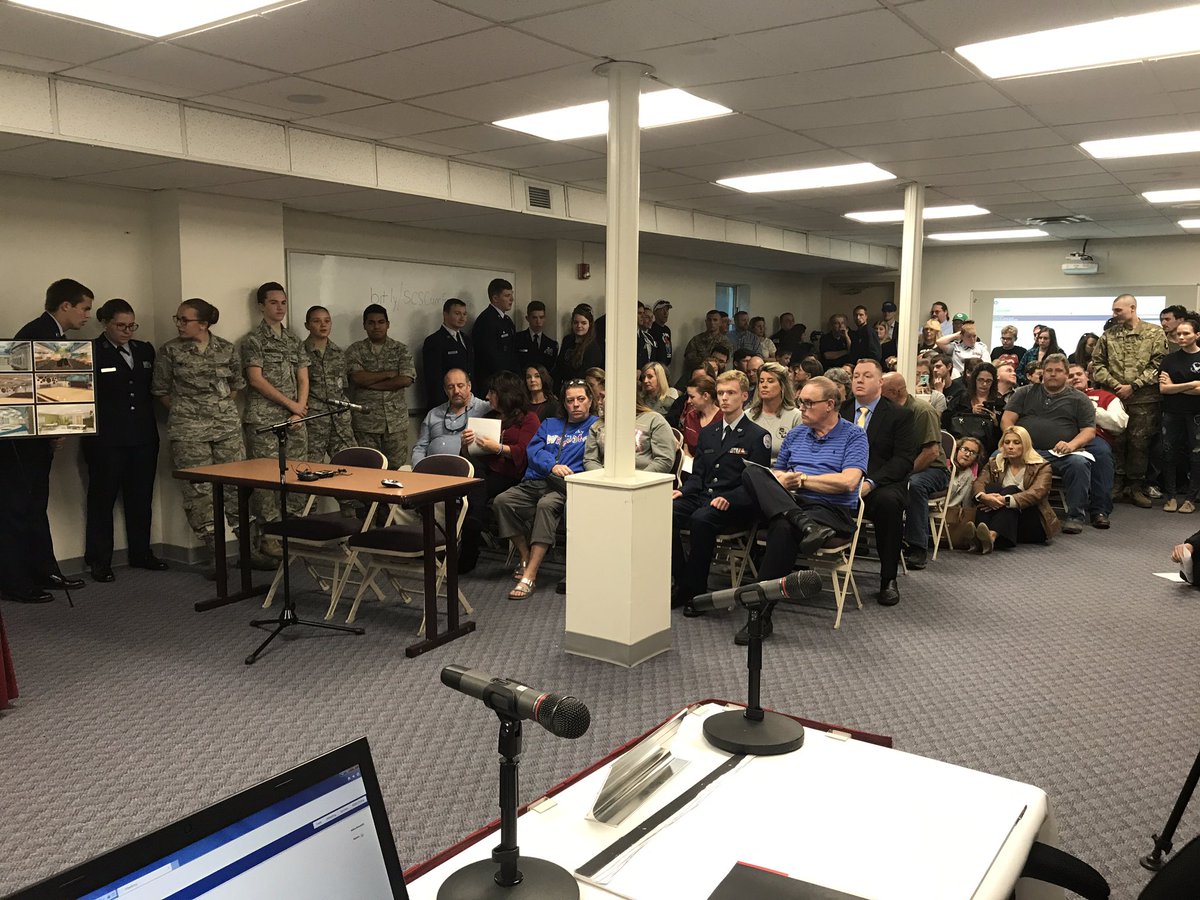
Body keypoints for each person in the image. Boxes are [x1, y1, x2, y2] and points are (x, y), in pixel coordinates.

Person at [739, 376, 867, 642]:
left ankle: (760, 615)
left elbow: (848, 482)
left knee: (782, 528)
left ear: (830, 405)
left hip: (831, 510)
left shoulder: (854, 435)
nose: (802, 408)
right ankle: (803, 523)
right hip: (795, 504)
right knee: (752, 473)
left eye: (808, 403)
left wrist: (803, 479)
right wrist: (779, 478)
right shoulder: (797, 434)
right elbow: (777, 474)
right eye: (801, 402)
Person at [151, 299, 265, 572]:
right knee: (199, 493)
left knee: (237, 488)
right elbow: (161, 391)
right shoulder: (169, 351)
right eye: (177, 318)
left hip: (225, 430)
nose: (178, 324)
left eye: (184, 319)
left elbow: (236, 386)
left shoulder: (226, 349)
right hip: (188, 433)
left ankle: (249, 550)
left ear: (203, 323)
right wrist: (189, 412)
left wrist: (215, 411)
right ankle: (216, 555)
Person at [9, 278, 96, 599]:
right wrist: (54, 427)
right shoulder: (36, 335)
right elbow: (21, 390)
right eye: (85, 308)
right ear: (66, 306)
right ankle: (14, 581)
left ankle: (43, 570)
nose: (87, 315)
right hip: (20, 441)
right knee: (17, 508)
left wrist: (60, 428)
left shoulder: (52, 335)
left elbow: (57, 390)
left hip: (37, 438)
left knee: (34, 506)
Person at [670, 371, 770, 615]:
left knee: (701, 519)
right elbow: (699, 475)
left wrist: (730, 498)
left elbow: (755, 484)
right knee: (665, 512)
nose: (724, 398)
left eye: (731, 393)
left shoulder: (757, 436)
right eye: (721, 393)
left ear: (744, 396)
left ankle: (696, 592)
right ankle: (682, 580)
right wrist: (682, 492)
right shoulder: (709, 433)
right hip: (703, 496)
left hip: (735, 503)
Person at [82, 298, 166, 583]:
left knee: (141, 497)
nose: (127, 330)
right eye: (121, 325)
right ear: (105, 323)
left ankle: (141, 553)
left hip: (142, 437)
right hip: (106, 440)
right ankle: (100, 560)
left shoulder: (144, 350)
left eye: (132, 325)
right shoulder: (92, 351)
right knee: (102, 500)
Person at [494, 379, 598, 600]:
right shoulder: (550, 423)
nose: (576, 405)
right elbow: (533, 451)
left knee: (545, 505)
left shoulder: (597, 427)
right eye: (570, 401)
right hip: (536, 480)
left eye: (581, 399)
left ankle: (530, 573)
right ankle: (525, 555)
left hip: (564, 488)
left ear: (590, 401)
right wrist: (552, 465)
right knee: (502, 501)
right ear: (564, 403)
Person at [1001, 353, 1114, 532]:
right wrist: (1014, 441)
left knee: (1079, 464)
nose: (1053, 374)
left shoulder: (1080, 399)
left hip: (1061, 454)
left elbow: (1089, 431)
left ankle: (1075, 516)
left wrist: (1072, 445)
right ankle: (995, 508)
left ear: (1066, 374)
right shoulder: (1024, 393)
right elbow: (1007, 420)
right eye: (1049, 370)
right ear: (1042, 373)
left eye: (1058, 370)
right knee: (996, 458)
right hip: (1025, 450)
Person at [241, 281, 310, 551]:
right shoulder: (253, 340)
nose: (279, 308)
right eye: (273, 302)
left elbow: (303, 376)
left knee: (297, 474)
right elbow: (256, 380)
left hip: (295, 420)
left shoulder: (293, 339)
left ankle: (293, 531)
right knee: (266, 480)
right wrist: (291, 405)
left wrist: (299, 409)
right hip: (265, 420)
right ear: (261, 306)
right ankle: (269, 535)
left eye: (283, 302)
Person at [843, 359, 918, 606]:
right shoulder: (839, 411)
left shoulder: (900, 415)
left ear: (880, 382)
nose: (859, 380)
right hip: (841, 479)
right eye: (856, 376)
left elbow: (903, 460)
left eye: (866, 376)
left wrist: (871, 482)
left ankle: (888, 579)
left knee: (889, 504)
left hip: (881, 483)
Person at [459, 370, 541, 572]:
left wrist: (496, 448)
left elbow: (525, 452)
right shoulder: (489, 418)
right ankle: (475, 522)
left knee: (471, 495)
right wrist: (465, 445)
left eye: (492, 392)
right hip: (486, 473)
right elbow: (472, 456)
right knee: (474, 478)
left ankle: (471, 534)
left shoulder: (529, 419)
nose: (487, 397)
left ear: (505, 393)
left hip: (514, 474)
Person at [1091, 294, 1168, 507]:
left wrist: (1134, 386)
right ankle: (1116, 483)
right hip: (1114, 397)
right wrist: (1116, 385)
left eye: (1118, 310)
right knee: (1116, 440)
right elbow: (1097, 365)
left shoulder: (1154, 333)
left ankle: (1135, 486)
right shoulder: (1108, 335)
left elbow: (1159, 364)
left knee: (1139, 442)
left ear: (1132, 308)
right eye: (1114, 310)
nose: (1114, 314)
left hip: (1143, 399)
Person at [881, 373, 948, 571]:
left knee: (914, 485)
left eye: (882, 392)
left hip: (933, 469)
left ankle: (917, 546)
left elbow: (931, 452)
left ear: (895, 392)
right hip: (902, 466)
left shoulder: (922, 411)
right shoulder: (887, 411)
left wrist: (902, 473)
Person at [344, 303, 416, 470]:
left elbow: (406, 379)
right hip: (366, 423)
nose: (376, 326)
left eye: (381, 322)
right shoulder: (355, 350)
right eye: (371, 322)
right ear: (365, 325)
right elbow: (357, 378)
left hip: (395, 424)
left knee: (396, 471)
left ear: (388, 324)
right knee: (367, 470)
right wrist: (388, 374)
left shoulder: (400, 350)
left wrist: (370, 384)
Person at [302, 304, 357, 515]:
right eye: (317, 321)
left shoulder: (338, 352)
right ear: (307, 325)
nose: (323, 325)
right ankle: (308, 519)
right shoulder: (300, 351)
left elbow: (342, 387)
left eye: (327, 320)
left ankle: (350, 514)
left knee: (348, 468)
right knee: (309, 470)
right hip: (314, 420)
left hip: (339, 420)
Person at [972, 426, 1059, 552]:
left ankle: (989, 536)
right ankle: (986, 537)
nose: (1010, 446)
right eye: (1007, 442)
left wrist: (1004, 500)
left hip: (1031, 523)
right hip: (1006, 522)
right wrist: (983, 497)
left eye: (1016, 443)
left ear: (1025, 445)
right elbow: (979, 482)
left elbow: (1037, 493)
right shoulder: (994, 462)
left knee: (1011, 490)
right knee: (989, 489)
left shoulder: (1042, 466)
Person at [1157, 317, 1200, 513]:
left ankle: (1191, 498)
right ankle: (1171, 497)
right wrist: (1191, 384)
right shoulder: (1169, 359)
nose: (1181, 337)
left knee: (1196, 455)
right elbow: (1164, 389)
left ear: (1197, 335)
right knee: (1168, 454)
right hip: (1172, 413)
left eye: (1186, 333)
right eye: (1179, 334)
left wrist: (1175, 386)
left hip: (1196, 414)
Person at [411, 368, 491, 465]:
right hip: (432, 471)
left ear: (469, 386)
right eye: (450, 387)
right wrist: (418, 468)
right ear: (445, 390)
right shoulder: (433, 414)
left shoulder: (485, 409)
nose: (456, 391)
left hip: (467, 471)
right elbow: (420, 447)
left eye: (460, 386)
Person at [583, 401, 675, 473]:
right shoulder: (598, 425)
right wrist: (601, 479)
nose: (599, 402)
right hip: (606, 481)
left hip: (645, 479)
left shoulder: (654, 419)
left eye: (603, 396)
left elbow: (664, 459)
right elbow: (590, 459)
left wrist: (640, 480)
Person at [420, 297, 474, 408]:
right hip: (446, 403)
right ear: (445, 314)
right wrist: (442, 406)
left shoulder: (466, 339)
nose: (462, 317)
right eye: (457, 313)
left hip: (467, 400)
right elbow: (434, 378)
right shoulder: (434, 341)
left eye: (464, 314)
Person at [748, 361, 802, 463]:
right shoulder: (748, 415)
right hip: (751, 473)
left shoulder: (796, 416)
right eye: (761, 381)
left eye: (770, 381)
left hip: (784, 473)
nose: (764, 385)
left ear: (782, 386)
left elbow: (799, 455)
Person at [471, 277, 518, 390]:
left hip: (507, 381)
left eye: (511, 295)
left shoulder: (507, 320)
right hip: (493, 383)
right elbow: (489, 356)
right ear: (495, 298)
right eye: (507, 296)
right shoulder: (485, 320)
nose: (512, 299)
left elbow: (512, 352)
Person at [941, 436, 986, 550]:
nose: (967, 454)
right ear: (957, 450)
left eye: (973, 452)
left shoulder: (971, 473)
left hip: (955, 509)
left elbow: (967, 500)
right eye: (965, 449)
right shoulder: (944, 465)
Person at [946, 362, 1001, 454]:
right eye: (980, 380)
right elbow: (947, 419)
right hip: (961, 444)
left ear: (993, 382)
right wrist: (970, 412)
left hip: (987, 447)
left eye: (988, 381)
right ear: (974, 380)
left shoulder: (999, 402)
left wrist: (996, 422)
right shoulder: (961, 397)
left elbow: (1002, 434)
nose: (984, 384)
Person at [1068, 362, 1127, 448]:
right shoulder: (1058, 399)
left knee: (1100, 450)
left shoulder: (1106, 397)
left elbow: (1120, 424)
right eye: (1070, 376)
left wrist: (1091, 410)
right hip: (1064, 437)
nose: (1075, 378)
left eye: (1079, 374)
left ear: (1087, 376)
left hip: (1096, 439)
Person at [555, 304, 604, 384]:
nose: (579, 326)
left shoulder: (593, 348)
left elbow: (586, 376)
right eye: (576, 322)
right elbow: (559, 367)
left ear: (590, 325)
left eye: (583, 323)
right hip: (563, 386)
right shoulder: (567, 340)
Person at [514, 300, 558, 377]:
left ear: (545, 318)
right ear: (527, 318)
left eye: (541, 317)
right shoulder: (517, 339)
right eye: (534, 318)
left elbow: (552, 370)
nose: (538, 321)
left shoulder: (551, 345)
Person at [680, 374, 719, 457]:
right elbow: (686, 448)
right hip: (689, 465)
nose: (688, 401)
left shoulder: (723, 419)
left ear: (705, 396)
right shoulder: (690, 416)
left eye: (692, 397)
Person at [682, 309, 731, 375]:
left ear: (720, 322)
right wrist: (706, 362)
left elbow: (724, 361)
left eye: (715, 320)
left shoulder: (725, 341)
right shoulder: (696, 340)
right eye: (709, 320)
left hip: (717, 375)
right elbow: (689, 359)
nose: (712, 323)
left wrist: (706, 361)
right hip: (698, 374)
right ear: (706, 321)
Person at [648, 299, 673, 369]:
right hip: (654, 367)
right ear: (655, 312)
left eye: (667, 310)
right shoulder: (651, 328)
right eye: (662, 310)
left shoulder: (667, 330)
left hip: (665, 366)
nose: (665, 313)